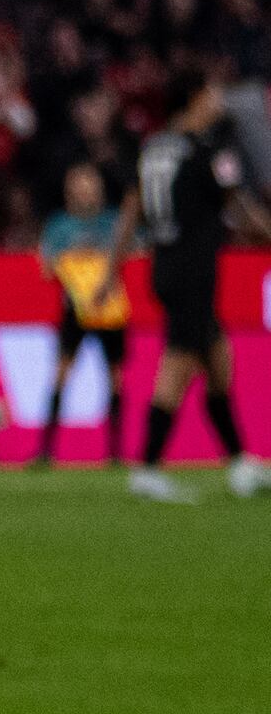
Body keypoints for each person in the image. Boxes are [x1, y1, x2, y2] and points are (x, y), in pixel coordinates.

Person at [123, 77, 266, 502]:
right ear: (195, 99)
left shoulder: (154, 148)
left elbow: (133, 206)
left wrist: (116, 268)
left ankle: (240, 463)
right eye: (213, 92)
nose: (220, 100)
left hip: (164, 265)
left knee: (219, 360)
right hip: (193, 271)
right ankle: (147, 468)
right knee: (178, 365)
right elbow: (238, 206)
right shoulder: (209, 149)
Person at [31, 164, 132, 469]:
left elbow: (136, 251)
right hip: (75, 308)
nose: (85, 191)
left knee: (115, 378)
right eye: (79, 185)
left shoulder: (114, 222)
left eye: (90, 184)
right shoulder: (60, 226)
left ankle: (115, 452)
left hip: (110, 307)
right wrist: (71, 259)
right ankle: (46, 451)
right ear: (70, 191)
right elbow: (45, 265)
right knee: (61, 374)